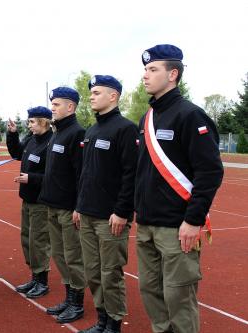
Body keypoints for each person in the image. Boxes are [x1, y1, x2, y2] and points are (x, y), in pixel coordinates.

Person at [135, 44, 224, 333]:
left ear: (172, 74)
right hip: (147, 223)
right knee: (151, 293)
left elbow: (210, 171)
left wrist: (193, 220)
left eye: (152, 69)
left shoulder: (190, 115)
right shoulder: (146, 118)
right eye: (145, 70)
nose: (145, 76)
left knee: (179, 298)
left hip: (177, 227)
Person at [74, 76, 138, 333]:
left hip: (110, 218)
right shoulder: (91, 130)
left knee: (110, 274)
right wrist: (79, 205)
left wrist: (122, 211)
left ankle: (113, 324)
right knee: (92, 272)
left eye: (97, 92)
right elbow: (86, 174)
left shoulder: (125, 129)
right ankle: (101, 320)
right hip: (87, 214)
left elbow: (131, 174)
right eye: (91, 92)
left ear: (113, 96)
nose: (91, 96)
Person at [38, 87, 86, 324]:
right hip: (52, 204)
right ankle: (69, 298)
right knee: (59, 254)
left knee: (73, 256)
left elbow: (81, 174)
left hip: (68, 207)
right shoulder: (57, 133)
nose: (52, 108)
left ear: (70, 107)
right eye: (52, 104)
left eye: (57, 104)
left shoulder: (77, 133)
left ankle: (77, 303)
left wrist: (78, 206)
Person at [6, 106, 53, 299]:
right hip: (27, 197)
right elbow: (17, 153)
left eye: (32, 122)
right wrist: (12, 134)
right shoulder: (31, 139)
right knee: (27, 238)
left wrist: (31, 178)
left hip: (41, 200)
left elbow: (54, 175)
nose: (30, 125)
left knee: (38, 241)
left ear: (44, 121)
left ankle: (42, 280)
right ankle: (35, 276)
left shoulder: (52, 142)